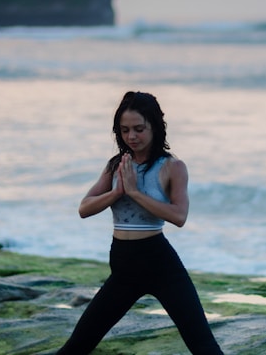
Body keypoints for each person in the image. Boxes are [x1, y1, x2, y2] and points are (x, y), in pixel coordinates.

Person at [57, 91, 223, 354]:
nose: (131, 136)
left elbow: (179, 216)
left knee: (203, 346)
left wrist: (135, 193)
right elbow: (84, 208)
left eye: (139, 129)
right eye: (124, 130)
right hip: (124, 269)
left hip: (161, 266)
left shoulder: (172, 167)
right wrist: (115, 193)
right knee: (77, 346)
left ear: (155, 127)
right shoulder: (116, 166)